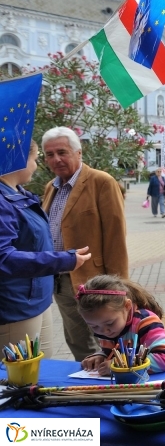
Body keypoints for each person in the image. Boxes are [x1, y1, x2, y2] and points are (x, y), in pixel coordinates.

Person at [41, 126, 128, 361]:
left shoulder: (101, 182)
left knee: (109, 341)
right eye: (49, 154)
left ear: (78, 153)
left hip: (94, 281)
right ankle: (88, 383)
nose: (56, 159)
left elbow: (116, 238)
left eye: (62, 152)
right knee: (77, 342)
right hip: (61, 281)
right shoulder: (51, 187)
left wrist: (119, 286)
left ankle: (113, 385)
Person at [0, 141, 91, 355]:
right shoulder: (3, 200)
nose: (37, 165)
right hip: (16, 306)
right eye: (35, 159)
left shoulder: (17, 192)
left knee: (43, 371)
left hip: (36, 299)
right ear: (19, 160)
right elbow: (3, 258)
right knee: (21, 380)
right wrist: (63, 260)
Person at [77, 274, 165, 375]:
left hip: (161, 383)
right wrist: (101, 356)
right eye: (94, 326)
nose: (104, 331)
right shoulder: (106, 325)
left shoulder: (146, 322)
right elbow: (114, 351)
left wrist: (119, 365)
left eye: (110, 323)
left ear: (127, 306)